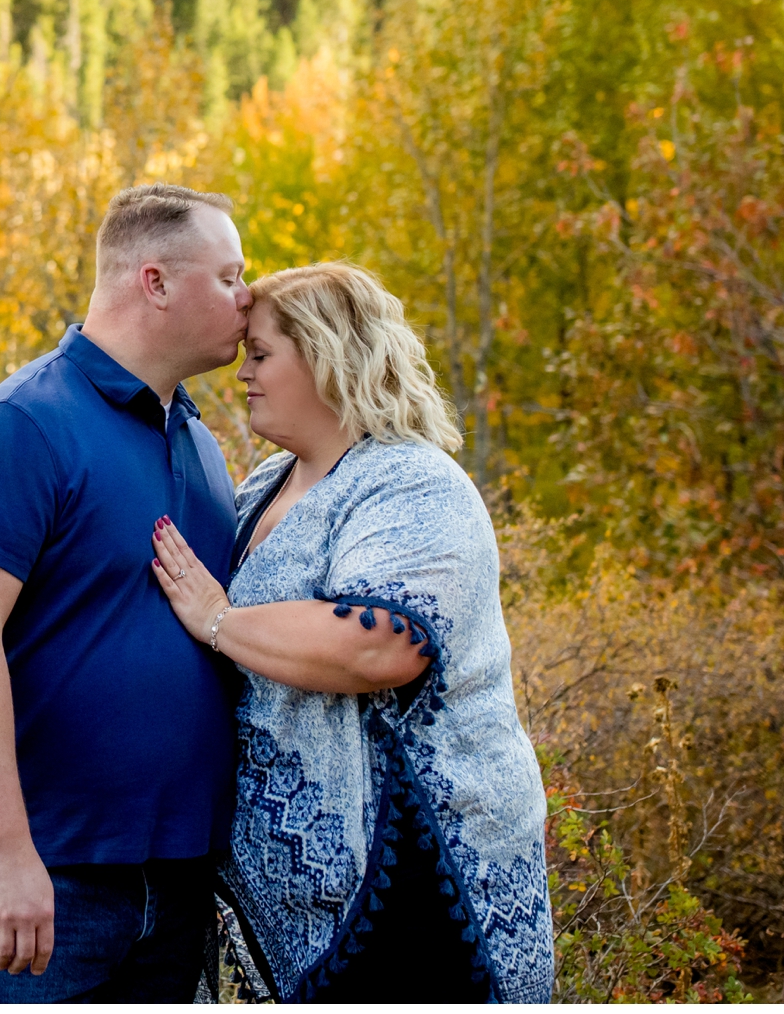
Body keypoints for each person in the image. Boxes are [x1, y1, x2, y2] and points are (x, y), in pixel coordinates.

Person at [146, 262, 555, 1003]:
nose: (243, 375)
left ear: (329, 356)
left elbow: (381, 643)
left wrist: (218, 619)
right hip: (314, 915)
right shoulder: (266, 483)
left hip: (424, 890)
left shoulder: (413, 482)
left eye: (262, 354)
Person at [0, 184, 253, 1003]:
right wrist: (3, 848)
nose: (252, 297)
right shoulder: (22, 426)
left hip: (173, 890)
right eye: (232, 275)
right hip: (39, 881)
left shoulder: (201, 444)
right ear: (157, 282)